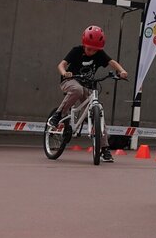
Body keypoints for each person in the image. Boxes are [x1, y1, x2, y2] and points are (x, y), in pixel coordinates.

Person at [48, 25, 128, 163]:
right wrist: (64, 73)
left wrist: (122, 71)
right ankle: (58, 114)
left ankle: (104, 149)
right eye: (89, 48)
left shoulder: (99, 54)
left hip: (87, 85)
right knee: (77, 90)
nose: (92, 52)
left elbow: (112, 62)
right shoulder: (76, 51)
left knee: (99, 112)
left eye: (95, 50)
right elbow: (61, 65)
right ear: (84, 44)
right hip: (70, 81)